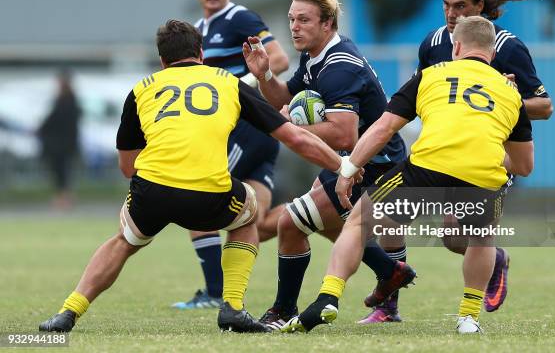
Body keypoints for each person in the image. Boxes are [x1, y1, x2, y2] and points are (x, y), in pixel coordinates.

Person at [38, 19, 349, 334]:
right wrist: (342, 166)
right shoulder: (227, 82)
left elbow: (126, 167)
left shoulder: (141, 89)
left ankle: (68, 311)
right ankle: (232, 308)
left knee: (124, 241)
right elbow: (294, 138)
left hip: (151, 191)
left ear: (162, 60)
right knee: (248, 215)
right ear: (201, 53)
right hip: (209, 196)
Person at [282, 16, 534, 334]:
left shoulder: (430, 75)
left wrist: (348, 169)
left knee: (359, 223)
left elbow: (384, 128)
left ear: (456, 46)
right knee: (482, 239)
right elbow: (524, 165)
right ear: (492, 54)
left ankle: (328, 297)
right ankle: (468, 318)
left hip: (427, 170)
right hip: (482, 177)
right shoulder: (511, 94)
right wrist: (483, 153)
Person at [365, 0, 554, 323]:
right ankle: (389, 306)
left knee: (454, 237)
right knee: (387, 217)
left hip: (484, 156)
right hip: (437, 154)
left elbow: (545, 105)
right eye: (447, 5)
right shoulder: (434, 44)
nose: (452, 14)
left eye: (461, 6)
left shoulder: (507, 47)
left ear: (480, 7)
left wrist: (503, 98)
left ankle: (494, 259)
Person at [243, 0, 413, 331]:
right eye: (291, 19)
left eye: (304, 20)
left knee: (289, 224)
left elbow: (344, 133)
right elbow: (280, 98)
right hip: (351, 163)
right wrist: (264, 75)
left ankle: (283, 310)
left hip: (375, 168)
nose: (294, 27)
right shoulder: (314, 55)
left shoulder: (339, 66)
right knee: (323, 226)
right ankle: (389, 270)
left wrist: (291, 127)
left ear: (328, 23)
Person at [172, 0, 290, 310]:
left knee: (195, 195)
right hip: (242, 133)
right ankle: (308, 214)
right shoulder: (200, 29)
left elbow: (279, 60)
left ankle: (213, 292)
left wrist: (234, 88)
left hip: (246, 129)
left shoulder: (239, 17)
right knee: (256, 217)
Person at [37, 69, 81, 210]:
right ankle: (65, 197)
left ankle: (64, 198)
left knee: (61, 171)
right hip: (64, 143)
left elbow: (54, 120)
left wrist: (42, 129)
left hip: (60, 144)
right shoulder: (70, 100)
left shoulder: (66, 100)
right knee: (62, 171)